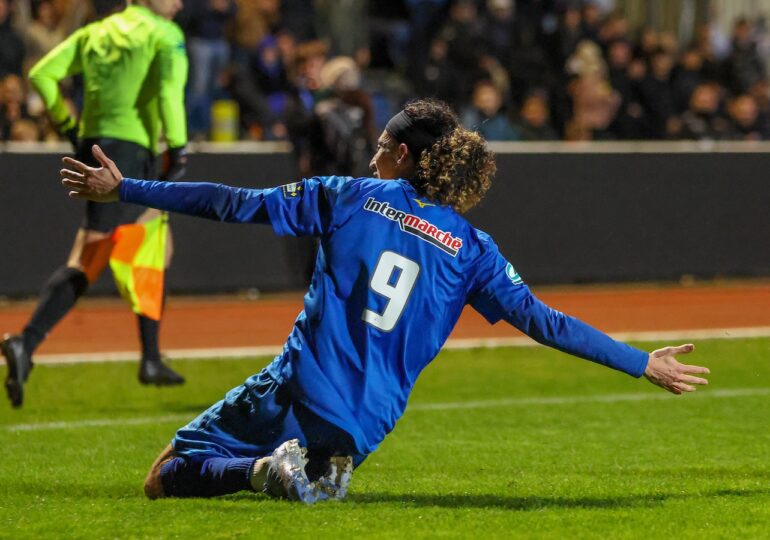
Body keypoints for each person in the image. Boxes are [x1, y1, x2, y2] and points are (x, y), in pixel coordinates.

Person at [60, 99, 710, 504]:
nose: (371, 158)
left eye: (379, 148)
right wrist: (640, 362)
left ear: (402, 154)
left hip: (296, 390)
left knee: (164, 475)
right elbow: (546, 322)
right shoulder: (473, 249)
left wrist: (127, 188)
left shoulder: (348, 196)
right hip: (363, 428)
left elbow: (233, 203)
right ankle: (307, 473)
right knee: (313, 472)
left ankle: (260, 470)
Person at [1, 0, 188, 408]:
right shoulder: (163, 34)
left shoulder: (96, 32)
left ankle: (151, 358)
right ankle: (25, 342)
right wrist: (178, 147)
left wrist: (68, 126)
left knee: (156, 242)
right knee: (89, 252)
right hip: (131, 151)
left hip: (95, 144)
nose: (179, 3)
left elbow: (42, 74)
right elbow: (169, 92)